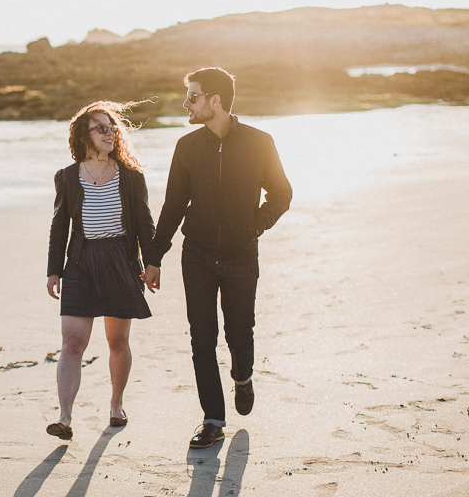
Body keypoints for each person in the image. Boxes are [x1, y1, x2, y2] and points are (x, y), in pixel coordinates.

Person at [143, 67, 292, 449]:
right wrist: (155, 255)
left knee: (240, 333)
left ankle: (243, 377)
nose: (185, 104)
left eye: (192, 96)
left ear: (215, 101)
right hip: (198, 255)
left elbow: (281, 192)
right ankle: (213, 420)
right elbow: (174, 204)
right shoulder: (187, 147)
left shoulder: (260, 142)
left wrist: (255, 225)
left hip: (242, 255)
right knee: (202, 336)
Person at [46, 101, 158, 441]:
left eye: (112, 128)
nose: (110, 133)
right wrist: (54, 270)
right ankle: (65, 417)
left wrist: (152, 264)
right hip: (80, 263)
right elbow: (59, 226)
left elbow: (145, 225)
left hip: (120, 261)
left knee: (117, 341)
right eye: (101, 128)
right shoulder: (67, 176)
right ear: (85, 135)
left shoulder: (130, 176)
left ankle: (116, 405)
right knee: (72, 343)